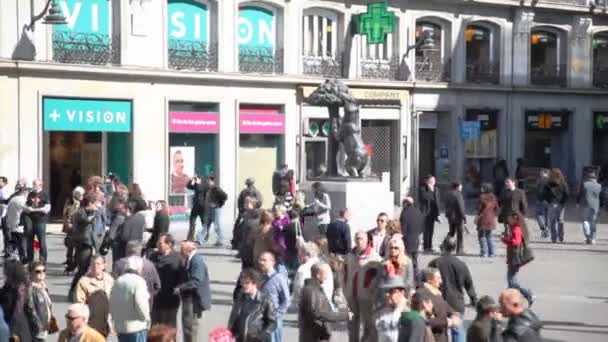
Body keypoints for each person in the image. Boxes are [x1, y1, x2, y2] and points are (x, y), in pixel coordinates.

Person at [428, 237, 477, 342]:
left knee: (439, 330)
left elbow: (426, 281)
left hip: (439, 301)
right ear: (454, 248)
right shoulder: (461, 264)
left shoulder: (435, 263)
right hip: (456, 302)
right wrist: (474, 300)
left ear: (443, 247)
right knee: (458, 329)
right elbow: (469, 284)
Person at [344, 231, 382, 342]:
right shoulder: (350, 256)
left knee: (368, 324)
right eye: (356, 238)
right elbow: (344, 274)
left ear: (367, 240)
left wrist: (372, 291)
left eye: (360, 238)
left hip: (366, 297)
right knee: (352, 324)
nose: (358, 241)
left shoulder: (374, 257)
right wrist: (345, 292)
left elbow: (378, 277)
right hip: (351, 296)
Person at [299, 262, 349, 342]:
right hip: (314, 336)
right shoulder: (311, 290)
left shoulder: (315, 289)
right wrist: (344, 315)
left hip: (318, 334)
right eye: (325, 274)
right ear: (318, 275)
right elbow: (318, 313)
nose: (327, 277)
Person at [174, 240, 212, 342]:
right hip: (189, 298)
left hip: (193, 300)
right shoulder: (190, 259)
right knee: (187, 326)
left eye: (181, 250)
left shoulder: (196, 261)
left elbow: (196, 281)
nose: (180, 252)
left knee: (190, 327)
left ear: (187, 250)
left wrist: (180, 288)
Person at [228, 269, 277, 342]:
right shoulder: (240, 298)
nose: (244, 285)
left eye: (247, 283)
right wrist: (230, 334)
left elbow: (272, 323)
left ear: (255, 283)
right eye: (242, 283)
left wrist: (262, 335)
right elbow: (233, 319)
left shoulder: (266, 300)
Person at [110, 256, 151, 342]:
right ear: (138, 268)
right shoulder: (139, 281)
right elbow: (141, 303)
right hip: (136, 327)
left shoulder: (118, 281)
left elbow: (112, 303)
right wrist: (147, 319)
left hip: (121, 327)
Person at [0, 259, 42, 342]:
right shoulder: (24, 287)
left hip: (14, 331)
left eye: (5, 271)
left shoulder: (10, 292)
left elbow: (8, 312)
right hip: (25, 329)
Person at [68, 192, 99, 302]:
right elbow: (86, 221)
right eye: (96, 203)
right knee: (83, 269)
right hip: (83, 243)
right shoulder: (81, 213)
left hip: (88, 242)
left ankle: (78, 291)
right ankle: (73, 291)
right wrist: (94, 213)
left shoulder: (87, 212)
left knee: (84, 268)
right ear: (90, 203)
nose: (98, 206)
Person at [416, 267, 461, 342]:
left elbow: (447, 308)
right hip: (431, 338)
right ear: (429, 279)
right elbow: (424, 320)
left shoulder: (436, 293)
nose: (441, 281)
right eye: (438, 278)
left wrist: (454, 315)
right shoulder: (422, 295)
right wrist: (447, 322)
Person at [74, 255, 114, 337]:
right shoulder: (83, 282)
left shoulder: (109, 279)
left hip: (105, 322)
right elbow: (79, 304)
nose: (95, 266)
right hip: (90, 322)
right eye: (92, 264)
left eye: (98, 264)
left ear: (104, 265)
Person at [150, 234, 183, 327]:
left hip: (170, 301)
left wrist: (179, 288)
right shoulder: (153, 256)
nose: (157, 245)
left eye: (160, 243)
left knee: (168, 328)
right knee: (155, 328)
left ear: (169, 244)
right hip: (156, 299)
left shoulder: (177, 258)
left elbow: (182, 277)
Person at [502, 213, 534, 306]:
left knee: (512, 281)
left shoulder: (516, 229)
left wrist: (505, 240)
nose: (508, 220)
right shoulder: (514, 228)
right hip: (513, 257)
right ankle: (509, 301)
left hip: (515, 258)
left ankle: (528, 294)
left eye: (510, 219)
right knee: (511, 281)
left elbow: (516, 242)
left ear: (515, 220)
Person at [257, 251, 290, 342]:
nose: (261, 262)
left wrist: (276, 315)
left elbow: (286, 300)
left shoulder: (279, 278)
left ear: (272, 262)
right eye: (260, 260)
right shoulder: (260, 277)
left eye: (264, 260)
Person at [374, 276, 410, 342]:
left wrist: (398, 311)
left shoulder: (408, 314)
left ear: (402, 293)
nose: (387, 294)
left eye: (391, 291)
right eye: (386, 291)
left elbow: (394, 338)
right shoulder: (381, 313)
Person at [24, 179, 51, 264]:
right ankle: (30, 261)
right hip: (30, 220)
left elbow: (47, 209)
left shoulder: (45, 194)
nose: (34, 186)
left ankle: (42, 261)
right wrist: (28, 209)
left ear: (40, 185)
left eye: (35, 184)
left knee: (41, 242)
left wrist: (35, 210)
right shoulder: (30, 194)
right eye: (33, 184)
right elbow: (26, 206)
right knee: (29, 241)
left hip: (40, 221)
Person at [399, 197, 424, 277]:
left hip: (407, 240)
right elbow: (422, 226)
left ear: (406, 203)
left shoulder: (404, 213)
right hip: (416, 238)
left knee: (407, 260)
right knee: (415, 259)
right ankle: (416, 276)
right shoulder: (418, 211)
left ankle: (409, 277)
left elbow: (403, 228)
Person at [542, 169, 569, 243]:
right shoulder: (563, 183)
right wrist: (563, 202)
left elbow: (544, 194)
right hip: (561, 204)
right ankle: (561, 237)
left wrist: (547, 201)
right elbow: (566, 194)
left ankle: (554, 238)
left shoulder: (548, 184)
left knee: (552, 221)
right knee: (561, 220)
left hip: (552, 204)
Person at [5, 180, 29, 261]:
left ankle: (12, 256)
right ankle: (22, 258)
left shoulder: (12, 199)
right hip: (20, 225)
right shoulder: (22, 200)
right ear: (24, 192)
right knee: (21, 242)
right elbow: (28, 210)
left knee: (14, 241)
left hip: (12, 224)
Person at [29, 261, 54, 341]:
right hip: (36, 331)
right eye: (38, 271)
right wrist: (38, 327)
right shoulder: (30, 289)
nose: (42, 273)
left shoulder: (43, 287)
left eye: (44, 270)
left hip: (44, 328)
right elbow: (30, 309)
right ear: (31, 273)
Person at [62, 186, 85, 272]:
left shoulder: (82, 202)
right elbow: (66, 213)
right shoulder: (70, 201)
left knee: (77, 245)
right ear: (76, 194)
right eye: (81, 194)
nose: (82, 196)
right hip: (71, 225)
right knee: (70, 244)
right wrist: (68, 223)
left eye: (83, 194)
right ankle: (69, 261)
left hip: (79, 226)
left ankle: (75, 262)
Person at [291, 242, 321, 307]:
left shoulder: (303, 268)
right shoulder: (321, 264)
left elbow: (299, 288)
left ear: (308, 254)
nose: (298, 255)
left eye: (301, 252)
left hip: (307, 305)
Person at [577, 170, 602, 244]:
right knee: (593, 222)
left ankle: (587, 236)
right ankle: (593, 238)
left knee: (585, 221)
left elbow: (580, 194)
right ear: (595, 178)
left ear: (588, 177)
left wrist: (577, 202)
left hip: (586, 204)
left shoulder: (584, 184)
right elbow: (601, 197)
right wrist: (601, 206)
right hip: (595, 206)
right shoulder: (599, 185)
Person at [419, 175, 441, 253]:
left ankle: (430, 246)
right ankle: (426, 247)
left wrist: (438, 214)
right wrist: (431, 191)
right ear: (427, 182)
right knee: (425, 231)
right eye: (431, 181)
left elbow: (437, 202)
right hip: (425, 213)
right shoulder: (423, 189)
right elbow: (425, 197)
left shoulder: (436, 189)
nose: (433, 183)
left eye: (434, 181)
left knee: (431, 231)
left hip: (432, 213)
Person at [444, 181, 467, 255]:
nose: (461, 187)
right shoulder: (458, 194)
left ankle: (444, 246)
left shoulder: (448, 194)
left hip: (450, 216)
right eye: (461, 186)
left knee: (451, 232)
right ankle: (459, 250)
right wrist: (464, 217)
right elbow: (461, 207)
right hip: (458, 217)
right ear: (457, 186)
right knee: (460, 234)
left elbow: (446, 205)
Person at [477, 183, 499, 258]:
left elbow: (479, 208)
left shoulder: (482, 197)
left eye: (482, 188)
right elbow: (497, 208)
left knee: (482, 236)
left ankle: (484, 252)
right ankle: (492, 252)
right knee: (489, 236)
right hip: (490, 219)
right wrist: (492, 214)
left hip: (482, 219)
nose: (481, 189)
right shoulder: (493, 197)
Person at [186, 175, 208, 241]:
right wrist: (191, 180)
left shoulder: (204, 186)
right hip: (195, 206)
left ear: (200, 180)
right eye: (196, 179)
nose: (196, 180)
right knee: (192, 221)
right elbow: (188, 186)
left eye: (197, 179)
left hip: (202, 207)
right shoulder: (196, 185)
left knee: (203, 222)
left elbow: (199, 189)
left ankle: (204, 236)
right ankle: (190, 238)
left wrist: (197, 183)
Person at [534, 169, 550, 238]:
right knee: (547, 215)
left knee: (539, 214)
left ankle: (543, 228)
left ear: (544, 173)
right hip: (549, 201)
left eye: (541, 173)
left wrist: (540, 199)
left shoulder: (540, 180)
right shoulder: (551, 181)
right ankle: (547, 230)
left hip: (541, 201)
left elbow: (539, 191)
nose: (540, 174)